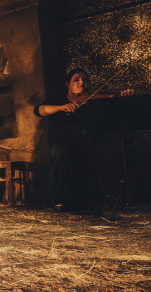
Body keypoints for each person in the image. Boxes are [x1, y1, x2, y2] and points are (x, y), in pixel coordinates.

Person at [35, 68, 131, 211]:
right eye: (77, 80)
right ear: (67, 84)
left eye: (85, 80)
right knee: (63, 154)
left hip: (89, 142)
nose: (81, 83)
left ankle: (111, 197)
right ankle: (62, 200)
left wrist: (123, 99)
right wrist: (61, 107)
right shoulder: (58, 100)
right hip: (65, 143)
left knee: (116, 148)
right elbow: (39, 110)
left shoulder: (92, 101)